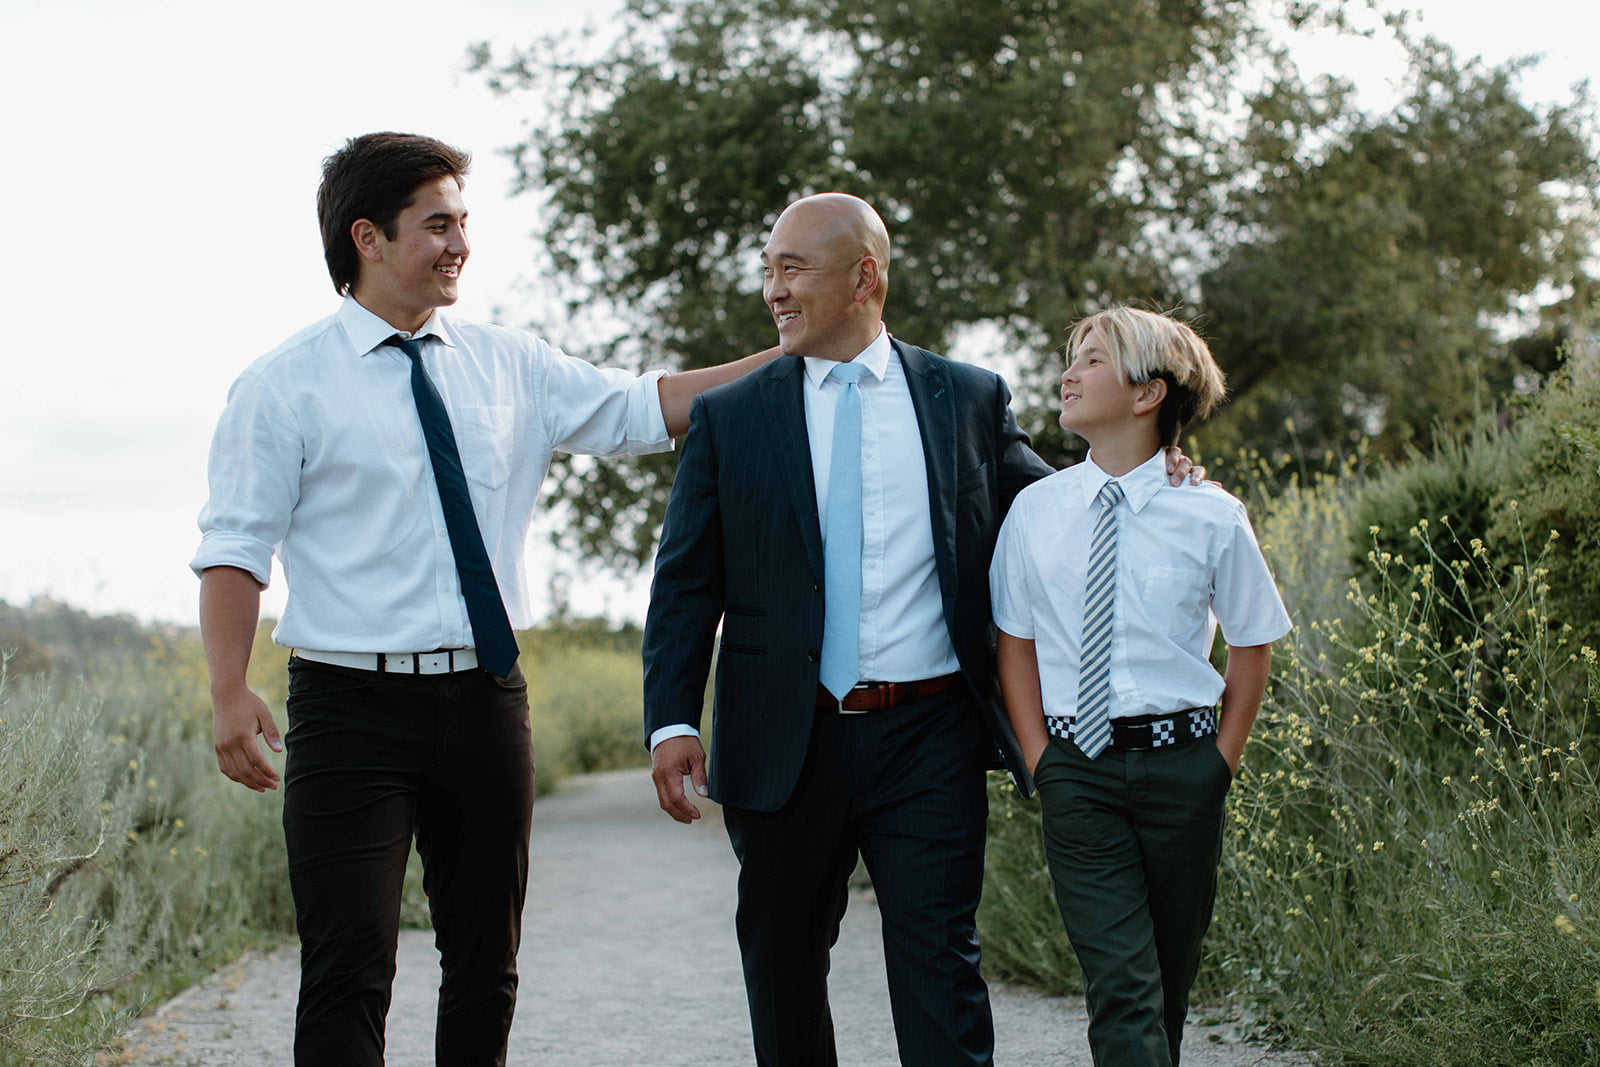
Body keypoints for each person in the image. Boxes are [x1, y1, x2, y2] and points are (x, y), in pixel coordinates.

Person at [191, 131, 776, 1066]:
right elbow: (234, 545)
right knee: (348, 966)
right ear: (368, 237)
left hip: (485, 699)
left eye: (464, 221)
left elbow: (644, 406)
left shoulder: (512, 364)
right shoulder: (283, 385)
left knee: (486, 963)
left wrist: (790, 357)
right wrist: (228, 687)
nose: (460, 242)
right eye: (437, 224)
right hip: (349, 708)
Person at [641, 195, 1197, 1066]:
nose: (773, 291)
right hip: (783, 734)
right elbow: (685, 579)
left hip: (929, 735)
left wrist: (1156, 465)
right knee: (782, 968)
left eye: (793, 269)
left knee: (941, 965)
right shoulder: (731, 416)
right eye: (768, 270)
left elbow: (1053, 502)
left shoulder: (966, 398)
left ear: (864, 276)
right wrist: (672, 718)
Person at [989, 306, 1292, 1066]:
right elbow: (1015, 643)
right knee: (1122, 987)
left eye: (1091, 360)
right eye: (1072, 357)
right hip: (1077, 774)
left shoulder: (1212, 514)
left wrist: (1219, 761)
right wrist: (1041, 760)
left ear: (1149, 392)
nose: (1069, 373)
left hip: (1182, 770)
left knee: (1165, 987)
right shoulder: (1036, 511)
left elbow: (1252, 641)